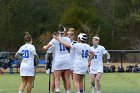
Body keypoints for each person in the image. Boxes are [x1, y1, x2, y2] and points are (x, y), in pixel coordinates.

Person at [43, 26, 71, 93]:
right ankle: (68, 91)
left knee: (57, 78)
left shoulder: (54, 39)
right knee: (67, 78)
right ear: (64, 32)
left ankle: (57, 90)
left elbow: (46, 48)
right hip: (67, 60)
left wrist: (44, 47)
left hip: (58, 60)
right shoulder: (68, 39)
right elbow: (70, 47)